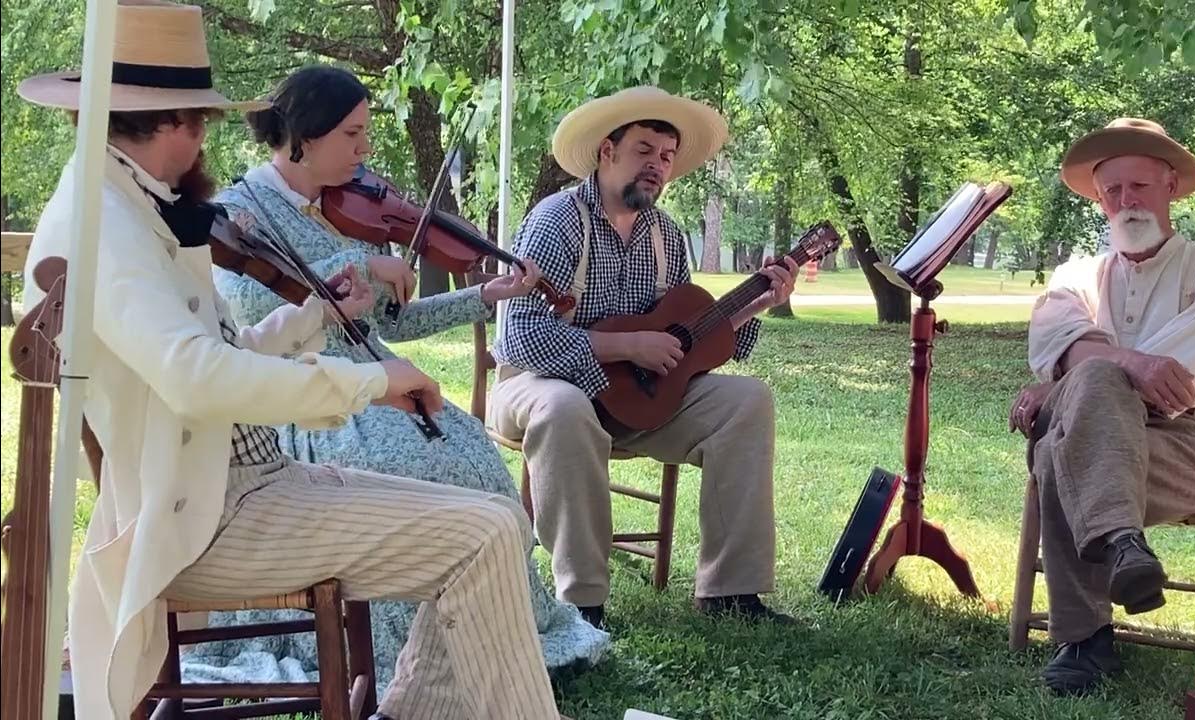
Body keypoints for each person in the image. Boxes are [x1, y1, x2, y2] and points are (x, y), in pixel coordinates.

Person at [18, 3, 570, 718]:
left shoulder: (136, 202)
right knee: (485, 531)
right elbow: (195, 380)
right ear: (175, 122)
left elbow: (220, 353)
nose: (204, 143)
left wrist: (313, 317)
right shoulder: (104, 222)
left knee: (490, 522)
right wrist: (367, 380)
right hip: (202, 516)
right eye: (203, 124)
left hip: (245, 480)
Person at [194, 65, 608, 690]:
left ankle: (484, 635)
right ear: (305, 134)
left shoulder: (341, 206)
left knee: (475, 465)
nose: (365, 151)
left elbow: (396, 321)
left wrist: (485, 295)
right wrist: (362, 260)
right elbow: (250, 316)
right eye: (353, 134)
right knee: (414, 472)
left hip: (378, 374)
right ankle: (408, 657)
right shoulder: (239, 210)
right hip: (304, 392)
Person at [489, 86, 800, 628]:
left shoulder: (665, 234)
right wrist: (628, 345)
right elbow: (520, 339)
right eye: (644, 150)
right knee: (565, 408)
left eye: (666, 157)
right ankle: (583, 606)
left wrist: (757, 306)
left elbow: (686, 336)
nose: (657, 166)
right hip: (537, 387)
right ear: (607, 151)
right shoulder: (557, 221)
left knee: (747, 400)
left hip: (637, 400)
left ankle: (731, 592)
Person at [1009, 118, 1195, 695]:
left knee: (1065, 437)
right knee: (1073, 430)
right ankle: (1123, 544)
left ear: (1171, 187)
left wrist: (1077, 375)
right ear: (1099, 199)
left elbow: (1181, 386)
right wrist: (1129, 365)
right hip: (1108, 454)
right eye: (1112, 190)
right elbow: (1052, 338)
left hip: (1192, 450)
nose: (1126, 200)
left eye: (1139, 186)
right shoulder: (1076, 275)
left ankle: (1084, 641)